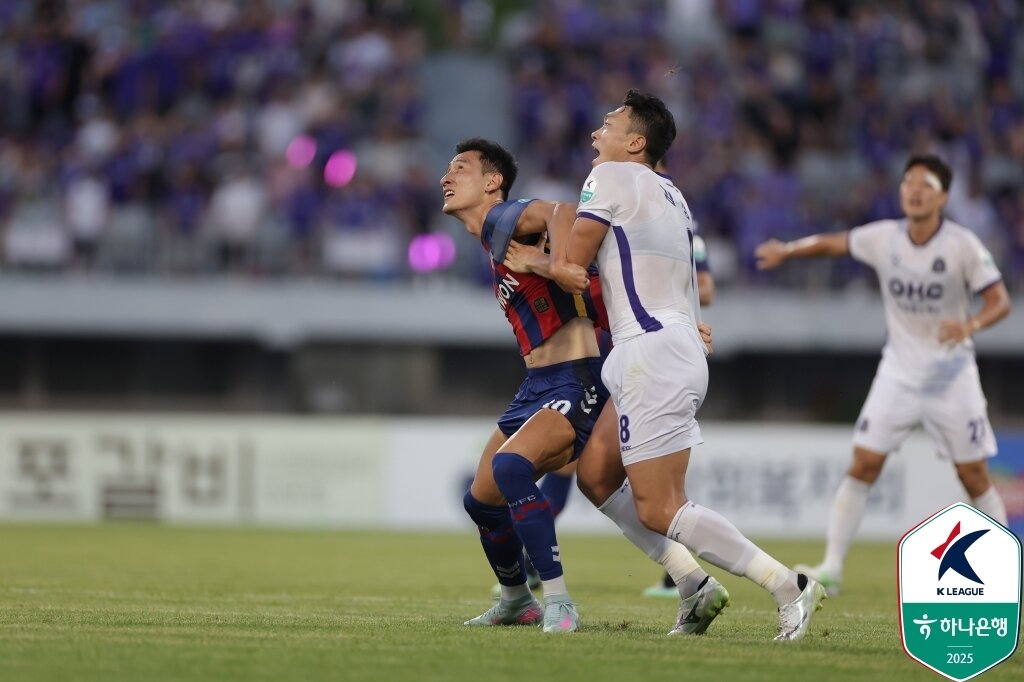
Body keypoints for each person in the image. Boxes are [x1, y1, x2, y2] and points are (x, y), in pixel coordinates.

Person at [551, 89, 826, 641]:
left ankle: (788, 585)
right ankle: (694, 587)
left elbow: (572, 266)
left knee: (659, 507)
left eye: (608, 124)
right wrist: (689, 328)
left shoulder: (609, 177)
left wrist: (530, 255)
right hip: (663, 343)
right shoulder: (673, 195)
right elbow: (684, 277)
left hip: (650, 350)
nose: (594, 134)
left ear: (635, 142)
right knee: (597, 475)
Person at [444, 137, 729, 636]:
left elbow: (564, 209)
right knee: (482, 500)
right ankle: (517, 600)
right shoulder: (497, 245)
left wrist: (551, 263)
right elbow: (592, 293)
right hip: (536, 384)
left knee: (515, 469)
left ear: (492, 182)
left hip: (574, 380)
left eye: (460, 168)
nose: (446, 177)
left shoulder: (505, 218)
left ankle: (558, 602)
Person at [754, 154, 1012, 596]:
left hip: (951, 375)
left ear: (943, 197)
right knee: (864, 463)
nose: (913, 189)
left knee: (973, 476)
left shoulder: (962, 244)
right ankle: (831, 568)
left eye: (925, 184)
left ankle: (1006, 569)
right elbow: (833, 243)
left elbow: (999, 300)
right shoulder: (884, 237)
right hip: (899, 373)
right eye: (908, 181)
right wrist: (788, 250)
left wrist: (968, 326)